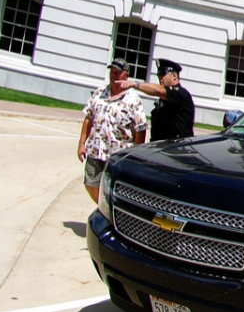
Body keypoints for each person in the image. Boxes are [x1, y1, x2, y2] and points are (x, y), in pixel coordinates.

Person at [77, 58, 148, 204]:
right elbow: (88, 119)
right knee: (90, 183)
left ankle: (110, 212)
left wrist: (136, 154)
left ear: (126, 76)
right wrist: (81, 144)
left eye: (118, 72)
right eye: (112, 71)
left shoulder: (133, 99)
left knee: (115, 189)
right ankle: (106, 209)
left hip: (117, 155)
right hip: (96, 150)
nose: (113, 75)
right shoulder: (99, 93)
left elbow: (140, 129)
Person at [121, 57, 196, 141]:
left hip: (177, 148)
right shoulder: (164, 99)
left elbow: (158, 90)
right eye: (159, 75)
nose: (160, 78)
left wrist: (134, 84)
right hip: (161, 147)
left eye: (163, 74)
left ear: (174, 76)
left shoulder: (180, 94)